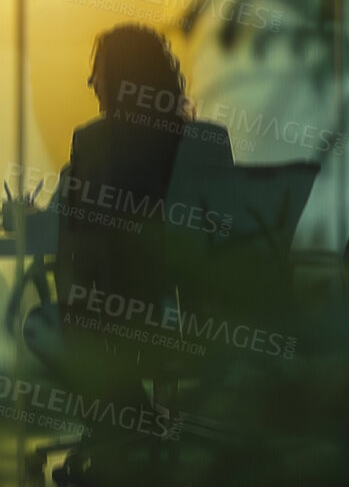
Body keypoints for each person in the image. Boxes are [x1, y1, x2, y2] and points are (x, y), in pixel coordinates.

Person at [47, 25, 234, 430]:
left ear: (121, 78)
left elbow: (75, 239)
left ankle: (120, 429)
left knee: (58, 314)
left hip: (123, 318)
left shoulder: (96, 141)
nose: (91, 81)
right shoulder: (209, 140)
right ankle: (138, 425)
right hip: (205, 318)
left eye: (98, 70)